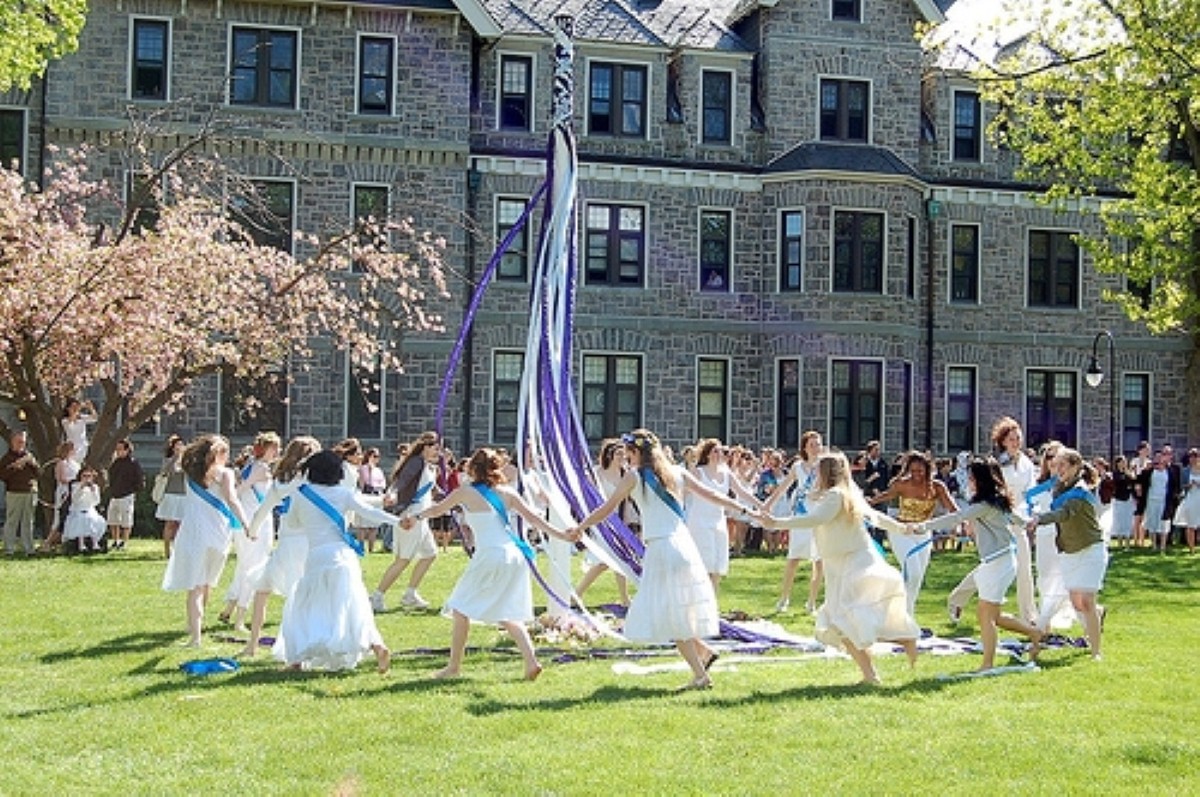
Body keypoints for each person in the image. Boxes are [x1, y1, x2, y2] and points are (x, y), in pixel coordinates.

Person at [570, 429, 752, 690]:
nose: (626, 459)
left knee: (671, 614)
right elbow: (712, 495)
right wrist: (747, 510)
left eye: (628, 453)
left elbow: (608, 508)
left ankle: (700, 676)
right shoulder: (677, 473)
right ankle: (704, 652)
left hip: (662, 548)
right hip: (685, 547)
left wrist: (581, 526)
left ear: (636, 453)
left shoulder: (634, 477)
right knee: (676, 608)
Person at [404, 447, 580, 681]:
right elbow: (536, 520)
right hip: (514, 555)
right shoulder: (508, 493)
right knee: (507, 612)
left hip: (490, 555)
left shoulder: (464, 492)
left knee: (460, 608)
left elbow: (437, 509)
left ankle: (454, 667)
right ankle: (531, 662)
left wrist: (414, 518)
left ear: (473, 469)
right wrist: (562, 535)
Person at [759, 451, 919, 685]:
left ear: (825, 473)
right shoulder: (846, 493)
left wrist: (776, 523)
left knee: (844, 620)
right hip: (842, 564)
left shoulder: (836, 496)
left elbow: (815, 519)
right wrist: (902, 528)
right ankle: (872, 673)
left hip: (852, 563)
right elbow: (875, 517)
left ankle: (902, 641)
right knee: (841, 622)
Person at [915, 457, 1044, 671]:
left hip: (999, 563)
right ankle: (1035, 633)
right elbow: (1016, 519)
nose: (969, 482)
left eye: (972, 478)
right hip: (996, 562)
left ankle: (987, 664)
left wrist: (923, 527)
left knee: (985, 615)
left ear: (979, 480)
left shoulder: (985, 505)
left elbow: (957, 517)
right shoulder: (996, 501)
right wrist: (1027, 523)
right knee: (996, 616)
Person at [273, 451, 396, 673]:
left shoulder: (302, 494)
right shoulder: (344, 493)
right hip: (344, 556)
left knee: (307, 606)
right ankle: (376, 645)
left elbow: (291, 523)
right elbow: (369, 511)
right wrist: (397, 521)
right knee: (353, 605)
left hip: (319, 555)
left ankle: (296, 661)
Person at [161, 435, 253, 647]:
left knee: (194, 587)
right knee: (206, 583)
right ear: (219, 454)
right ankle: (197, 627)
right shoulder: (226, 474)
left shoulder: (190, 472)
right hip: (219, 534)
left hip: (193, 533)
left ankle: (195, 636)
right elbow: (232, 500)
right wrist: (247, 525)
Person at [946, 417, 1039, 624]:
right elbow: (980, 491)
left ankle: (1029, 616)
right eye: (1012, 439)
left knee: (1024, 567)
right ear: (1003, 441)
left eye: (1019, 438)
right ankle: (957, 598)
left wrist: (1032, 514)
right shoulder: (995, 463)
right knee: (989, 567)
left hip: (1018, 517)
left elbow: (1031, 492)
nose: (1016, 442)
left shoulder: (1026, 463)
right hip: (995, 519)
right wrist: (971, 520)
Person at [239, 436, 322, 658]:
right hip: (307, 543)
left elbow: (262, 510)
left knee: (262, 590)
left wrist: (252, 530)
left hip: (287, 543)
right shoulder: (313, 483)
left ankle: (253, 644)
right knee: (304, 596)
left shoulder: (281, 482)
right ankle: (305, 643)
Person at [1026, 448, 1109, 660]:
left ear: (1075, 467)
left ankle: (1096, 652)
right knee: (1076, 602)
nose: (1058, 469)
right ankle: (1097, 616)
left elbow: (1064, 514)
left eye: (1063, 465)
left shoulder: (1079, 492)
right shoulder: (1058, 489)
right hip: (1069, 551)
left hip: (1091, 549)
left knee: (1087, 600)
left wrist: (1039, 519)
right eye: (1056, 464)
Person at [868, 450, 959, 617]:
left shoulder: (937, 487)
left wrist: (963, 520)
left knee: (917, 577)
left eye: (920, 471)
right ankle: (903, 616)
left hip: (923, 533)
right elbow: (886, 495)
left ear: (928, 469)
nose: (916, 475)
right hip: (901, 531)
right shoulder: (901, 484)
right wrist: (869, 502)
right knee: (913, 571)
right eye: (913, 471)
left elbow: (952, 507)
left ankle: (905, 614)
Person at [371, 431, 442, 612]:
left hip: (422, 517)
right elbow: (400, 482)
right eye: (435, 448)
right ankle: (377, 596)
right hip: (411, 516)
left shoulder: (429, 466)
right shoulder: (415, 462)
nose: (438, 452)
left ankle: (410, 594)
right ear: (425, 447)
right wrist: (393, 494)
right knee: (403, 559)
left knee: (429, 554)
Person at [219, 431, 281, 631]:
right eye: (274, 448)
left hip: (250, 522)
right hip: (255, 524)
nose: (277, 452)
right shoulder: (260, 469)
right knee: (253, 568)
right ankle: (240, 619)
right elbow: (238, 493)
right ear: (264, 449)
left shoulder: (251, 466)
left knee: (244, 566)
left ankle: (229, 609)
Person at [684, 439, 762, 594]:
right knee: (705, 564)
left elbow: (742, 492)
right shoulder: (698, 472)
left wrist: (761, 506)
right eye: (715, 451)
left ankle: (712, 602)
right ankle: (700, 600)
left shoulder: (727, 473)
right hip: (700, 522)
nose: (719, 454)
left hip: (718, 522)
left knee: (718, 565)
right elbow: (683, 492)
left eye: (721, 451)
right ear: (707, 454)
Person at [574, 439, 635, 607]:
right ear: (609, 455)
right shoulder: (596, 474)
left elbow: (629, 502)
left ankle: (624, 598)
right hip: (600, 523)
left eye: (624, 453)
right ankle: (576, 594)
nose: (622, 457)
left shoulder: (626, 474)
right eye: (618, 453)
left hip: (620, 523)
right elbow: (588, 499)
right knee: (606, 561)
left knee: (620, 559)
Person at [772, 430, 825, 614]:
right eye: (812, 445)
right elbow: (781, 489)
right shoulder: (798, 467)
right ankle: (784, 598)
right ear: (805, 447)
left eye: (818, 444)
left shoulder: (826, 466)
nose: (816, 448)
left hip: (819, 517)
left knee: (819, 562)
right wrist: (766, 506)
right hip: (801, 517)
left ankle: (811, 602)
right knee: (793, 559)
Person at [1, 431, 40, 556]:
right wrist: (15, 466)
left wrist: (32, 463)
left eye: (23, 442)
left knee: (28, 521)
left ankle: (29, 548)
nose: (21, 444)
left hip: (30, 491)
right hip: (14, 492)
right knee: (12, 520)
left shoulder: (29, 455)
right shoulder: (7, 458)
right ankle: (9, 548)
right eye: (19, 442)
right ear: (12, 442)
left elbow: (39, 473)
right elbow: (2, 475)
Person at [1138, 444, 1181, 553]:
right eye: (1156, 457)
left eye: (1160, 457)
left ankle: (1162, 547)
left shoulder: (1169, 471)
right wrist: (1144, 469)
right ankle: (1153, 546)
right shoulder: (1150, 471)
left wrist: (1176, 495)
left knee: (1164, 523)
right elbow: (1140, 479)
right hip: (1152, 500)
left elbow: (1174, 485)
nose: (1159, 459)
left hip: (1164, 501)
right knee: (1152, 522)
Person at [105, 438, 144, 551]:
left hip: (126, 495)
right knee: (113, 519)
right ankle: (115, 540)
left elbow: (139, 479)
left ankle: (124, 541)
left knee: (126, 520)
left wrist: (134, 489)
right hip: (115, 494)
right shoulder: (115, 463)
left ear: (127, 450)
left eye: (121, 449)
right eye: (117, 449)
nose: (118, 451)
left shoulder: (133, 463)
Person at [62, 466, 108, 553]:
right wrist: (81, 488)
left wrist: (93, 491)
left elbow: (96, 501)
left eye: (89, 476)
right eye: (84, 476)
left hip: (90, 509)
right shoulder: (75, 485)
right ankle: (81, 544)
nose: (87, 478)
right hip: (77, 509)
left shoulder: (95, 487)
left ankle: (95, 543)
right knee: (81, 519)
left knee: (93, 519)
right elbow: (75, 500)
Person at [154, 435, 186, 558]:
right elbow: (167, 471)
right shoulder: (168, 460)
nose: (179, 447)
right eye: (177, 445)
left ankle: (177, 548)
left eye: (181, 445)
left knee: (180, 524)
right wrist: (175, 458)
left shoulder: (187, 461)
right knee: (170, 523)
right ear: (172, 448)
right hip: (171, 494)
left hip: (183, 495)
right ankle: (167, 550)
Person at [355, 447, 387, 553]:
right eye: (374, 456)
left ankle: (371, 548)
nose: (376, 459)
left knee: (374, 525)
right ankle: (361, 547)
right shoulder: (362, 468)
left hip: (376, 496)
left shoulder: (378, 471)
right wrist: (368, 468)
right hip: (365, 496)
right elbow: (362, 482)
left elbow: (383, 484)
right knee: (362, 525)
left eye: (377, 457)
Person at [1171, 448, 1200, 554]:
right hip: (1191, 498)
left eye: (1196, 457)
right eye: (1191, 457)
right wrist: (1189, 485)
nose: (1193, 459)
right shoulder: (1185, 471)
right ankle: (1191, 548)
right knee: (1191, 524)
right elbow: (1182, 486)